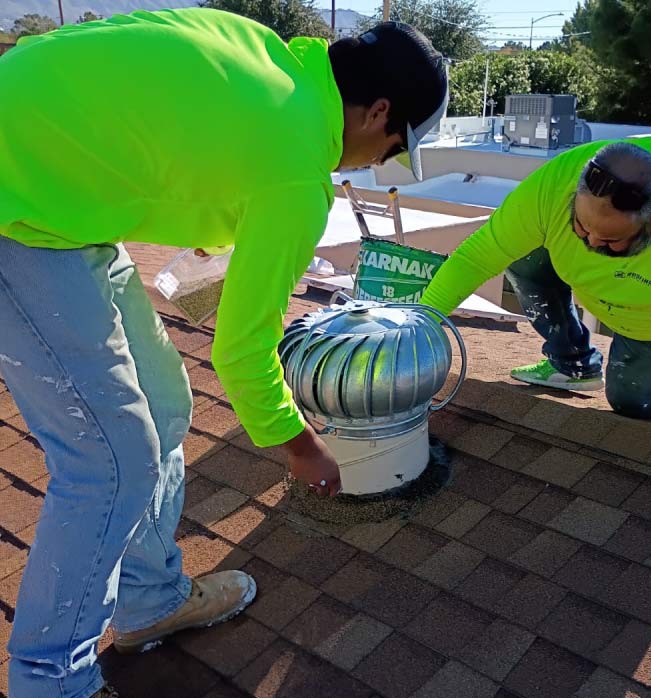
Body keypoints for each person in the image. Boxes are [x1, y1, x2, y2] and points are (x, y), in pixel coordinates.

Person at [0, 9, 448, 698]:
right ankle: (49, 682)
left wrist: (205, 215)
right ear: (378, 110)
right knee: (110, 461)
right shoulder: (298, 170)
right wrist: (295, 442)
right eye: (391, 148)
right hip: (17, 207)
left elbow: (165, 119)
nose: (379, 163)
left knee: (164, 403)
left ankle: (149, 600)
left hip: (64, 199)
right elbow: (242, 350)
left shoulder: (270, 59)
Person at [420, 137, 651, 508]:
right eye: (582, 228)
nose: (593, 244)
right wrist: (418, 326)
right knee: (525, 258)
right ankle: (573, 363)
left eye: (612, 239)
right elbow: (476, 257)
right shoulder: (554, 184)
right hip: (622, 289)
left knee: (634, 400)